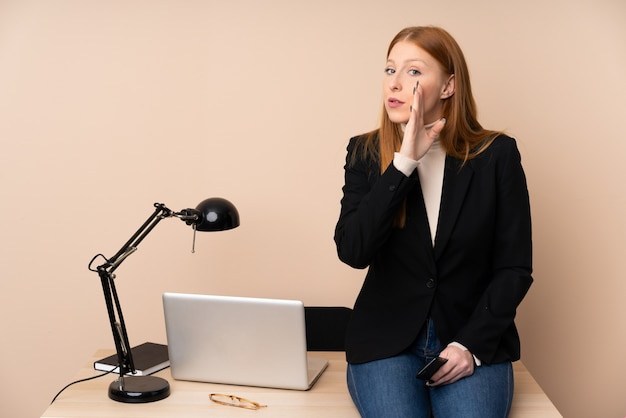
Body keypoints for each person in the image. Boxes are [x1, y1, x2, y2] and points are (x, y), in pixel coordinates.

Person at [334, 26, 533, 418]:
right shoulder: (365, 152)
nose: (395, 83)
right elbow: (353, 251)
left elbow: (514, 268)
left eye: (413, 72)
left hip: (470, 338)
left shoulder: (497, 155)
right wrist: (404, 163)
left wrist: (470, 346)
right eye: (390, 69)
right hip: (386, 341)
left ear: (448, 85)